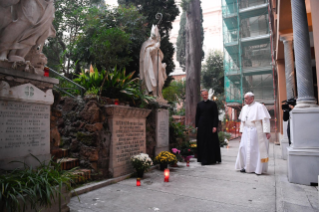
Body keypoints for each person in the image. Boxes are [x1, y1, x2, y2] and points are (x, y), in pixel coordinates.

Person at [235, 92, 271, 175]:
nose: (245, 100)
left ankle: (255, 168)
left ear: (252, 98)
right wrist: (241, 132)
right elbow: (242, 121)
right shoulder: (244, 108)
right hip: (246, 131)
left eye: (246, 98)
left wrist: (267, 132)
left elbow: (265, 120)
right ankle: (245, 167)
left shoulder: (259, 106)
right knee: (243, 148)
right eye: (244, 98)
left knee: (253, 150)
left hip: (255, 130)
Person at [139, 25, 167, 102]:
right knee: (153, 80)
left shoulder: (157, 44)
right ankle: (153, 95)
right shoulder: (147, 43)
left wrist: (162, 66)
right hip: (152, 65)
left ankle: (158, 95)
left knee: (160, 81)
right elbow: (147, 53)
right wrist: (155, 47)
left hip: (158, 65)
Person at [195, 89, 221, 165]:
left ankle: (212, 159)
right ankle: (203, 159)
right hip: (201, 125)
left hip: (210, 125)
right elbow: (197, 115)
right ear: (201, 95)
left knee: (211, 141)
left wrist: (215, 126)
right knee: (202, 142)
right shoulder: (199, 104)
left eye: (206, 94)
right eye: (203, 95)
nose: (205, 96)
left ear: (208, 94)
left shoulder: (213, 104)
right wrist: (197, 126)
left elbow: (215, 116)